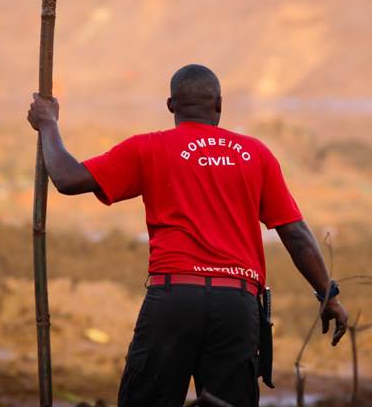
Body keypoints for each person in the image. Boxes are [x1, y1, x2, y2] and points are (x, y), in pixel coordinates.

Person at [27, 64, 348, 407]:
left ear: (171, 106)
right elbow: (296, 235)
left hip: (174, 301)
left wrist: (48, 124)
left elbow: (67, 178)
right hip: (236, 306)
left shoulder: (149, 148)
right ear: (220, 105)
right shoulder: (256, 154)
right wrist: (327, 295)